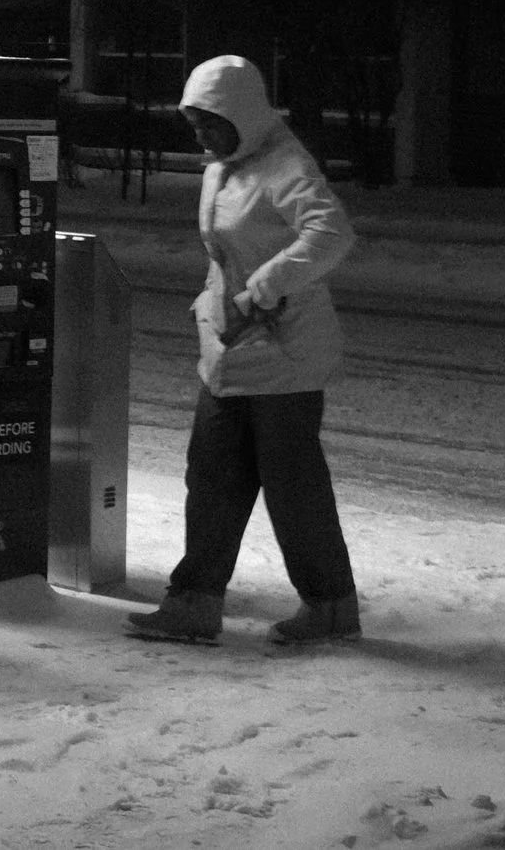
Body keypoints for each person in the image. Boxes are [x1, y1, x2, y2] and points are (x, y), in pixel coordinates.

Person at [127, 54, 363, 646]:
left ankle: (331, 608)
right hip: (230, 351)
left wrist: (267, 286)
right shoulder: (221, 169)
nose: (203, 138)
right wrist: (212, 304)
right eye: (195, 126)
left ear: (243, 114)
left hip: (285, 355)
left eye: (212, 124)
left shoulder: (286, 163)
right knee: (210, 479)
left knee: (293, 489)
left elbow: (331, 233)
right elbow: (226, 256)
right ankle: (194, 603)